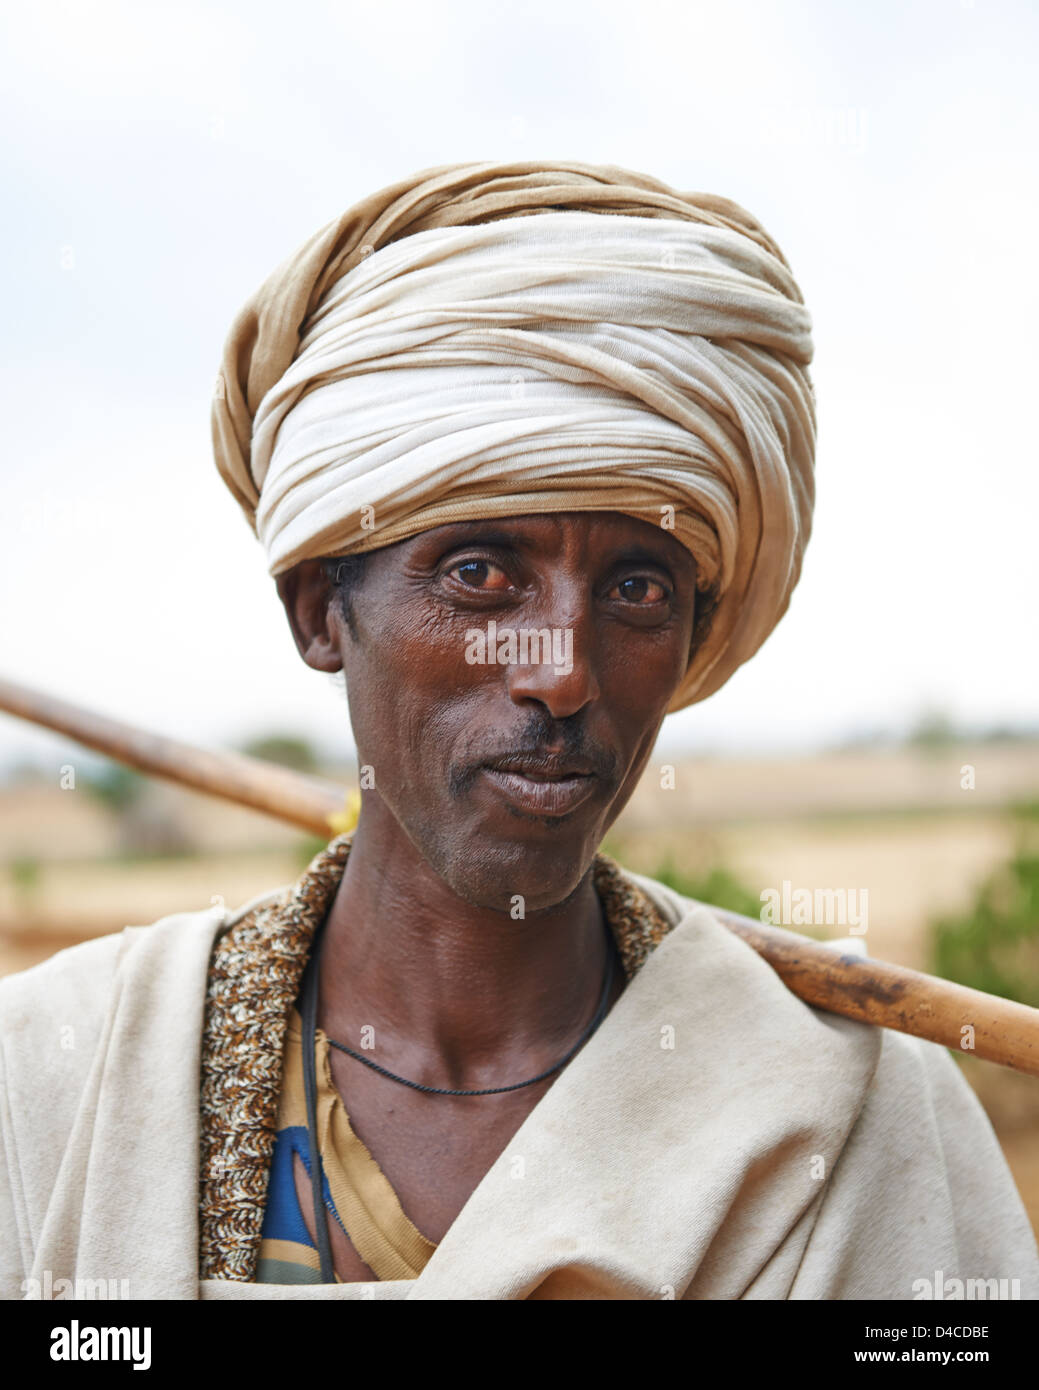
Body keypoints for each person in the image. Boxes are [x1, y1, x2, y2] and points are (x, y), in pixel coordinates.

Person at [2, 160, 1037, 1301]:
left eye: (637, 588)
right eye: (481, 572)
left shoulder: (859, 1120)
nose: (559, 670)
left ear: (692, 633)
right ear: (319, 611)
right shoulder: (54, 1081)